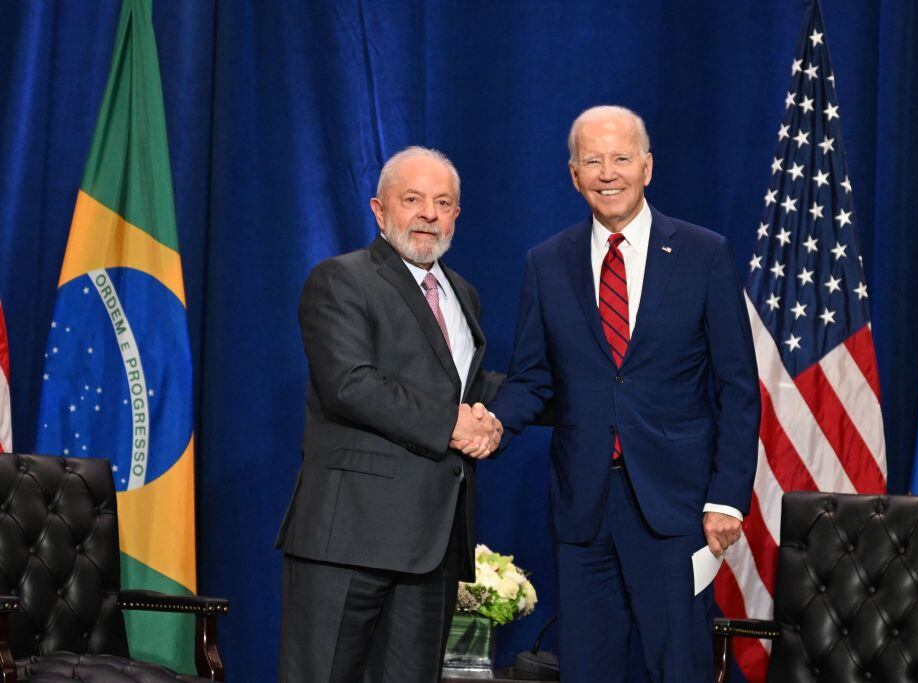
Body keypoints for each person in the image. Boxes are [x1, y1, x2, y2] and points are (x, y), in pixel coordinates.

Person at [488, 106, 760, 682]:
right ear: (573, 174)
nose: (607, 173)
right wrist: (489, 424)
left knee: (677, 668)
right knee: (587, 669)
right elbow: (533, 378)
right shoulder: (546, 262)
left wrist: (727, 497)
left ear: (647, 167)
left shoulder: (703, 253)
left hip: (677, 508)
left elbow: (736, 385)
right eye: (592, 161)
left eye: (620, 158)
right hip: (583, 507)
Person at [276, 146, 503, 682]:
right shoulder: (340, 279)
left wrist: (507, 413)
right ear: (380, 211)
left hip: (433, 545)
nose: (428, 213)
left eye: (442, 202)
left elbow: (464, 387)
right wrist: (454, 423)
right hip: (349, 539)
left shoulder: (464, 294)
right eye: (412, 199)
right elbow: (350, 384)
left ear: (456, 216)